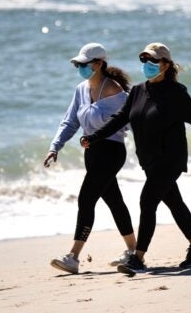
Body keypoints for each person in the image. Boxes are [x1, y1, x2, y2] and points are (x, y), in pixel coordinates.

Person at [80, 42, 191, 276]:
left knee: (147, 201)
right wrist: (94, 136)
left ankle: (138, 258)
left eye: (153, 61)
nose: (147, 65)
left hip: (170, 159)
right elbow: (120, 119)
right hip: (149, 160)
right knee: (174, 202)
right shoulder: (138, 91)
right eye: (144, 60)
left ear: (165, 65)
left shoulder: (176, 93)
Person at [44, 42, 137, 274]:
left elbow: (135, 123)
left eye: (84, 64)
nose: (81, 68)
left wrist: (154, 150)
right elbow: (70, 121)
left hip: (112, 151)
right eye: (78, 64)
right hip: (92, 152)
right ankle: (133, 252)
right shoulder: (81, 90)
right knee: (114, 201)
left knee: (86, 199)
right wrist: (55, 146)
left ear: (99, 64)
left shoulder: (116, 92)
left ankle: (73, 257)